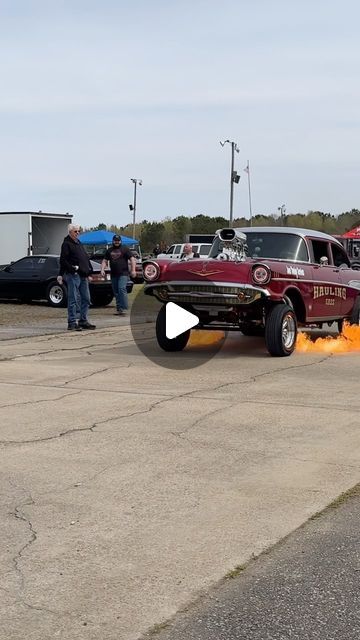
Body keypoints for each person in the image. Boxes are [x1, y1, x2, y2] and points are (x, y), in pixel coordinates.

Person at [57, 224, 96, 331]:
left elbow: (85, 258)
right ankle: (72, 322)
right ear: (70, 232)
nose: (78, 233)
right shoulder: (66, 244)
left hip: (83, 274)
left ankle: (83, 320)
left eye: (79, 231)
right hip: (73, 275)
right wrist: (65, 272)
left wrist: (89, 271)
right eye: (75, 231)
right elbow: (63, 260)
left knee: (87, 299)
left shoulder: (79, 243)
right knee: (73, 299)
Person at [101, 235, 136, 315]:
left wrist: (133, 270)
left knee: (121, 288)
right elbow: (104, 261)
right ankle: (119, 309)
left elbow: (132, 259)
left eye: (118, 240)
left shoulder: (125, 249)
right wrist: (102, 269)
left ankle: (124, 307)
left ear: (120, 241)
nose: (117, 242)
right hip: (113, 274)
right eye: (115, 240)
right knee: (116, 291)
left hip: (123, 273)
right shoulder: (109, 250)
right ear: (113, 241)